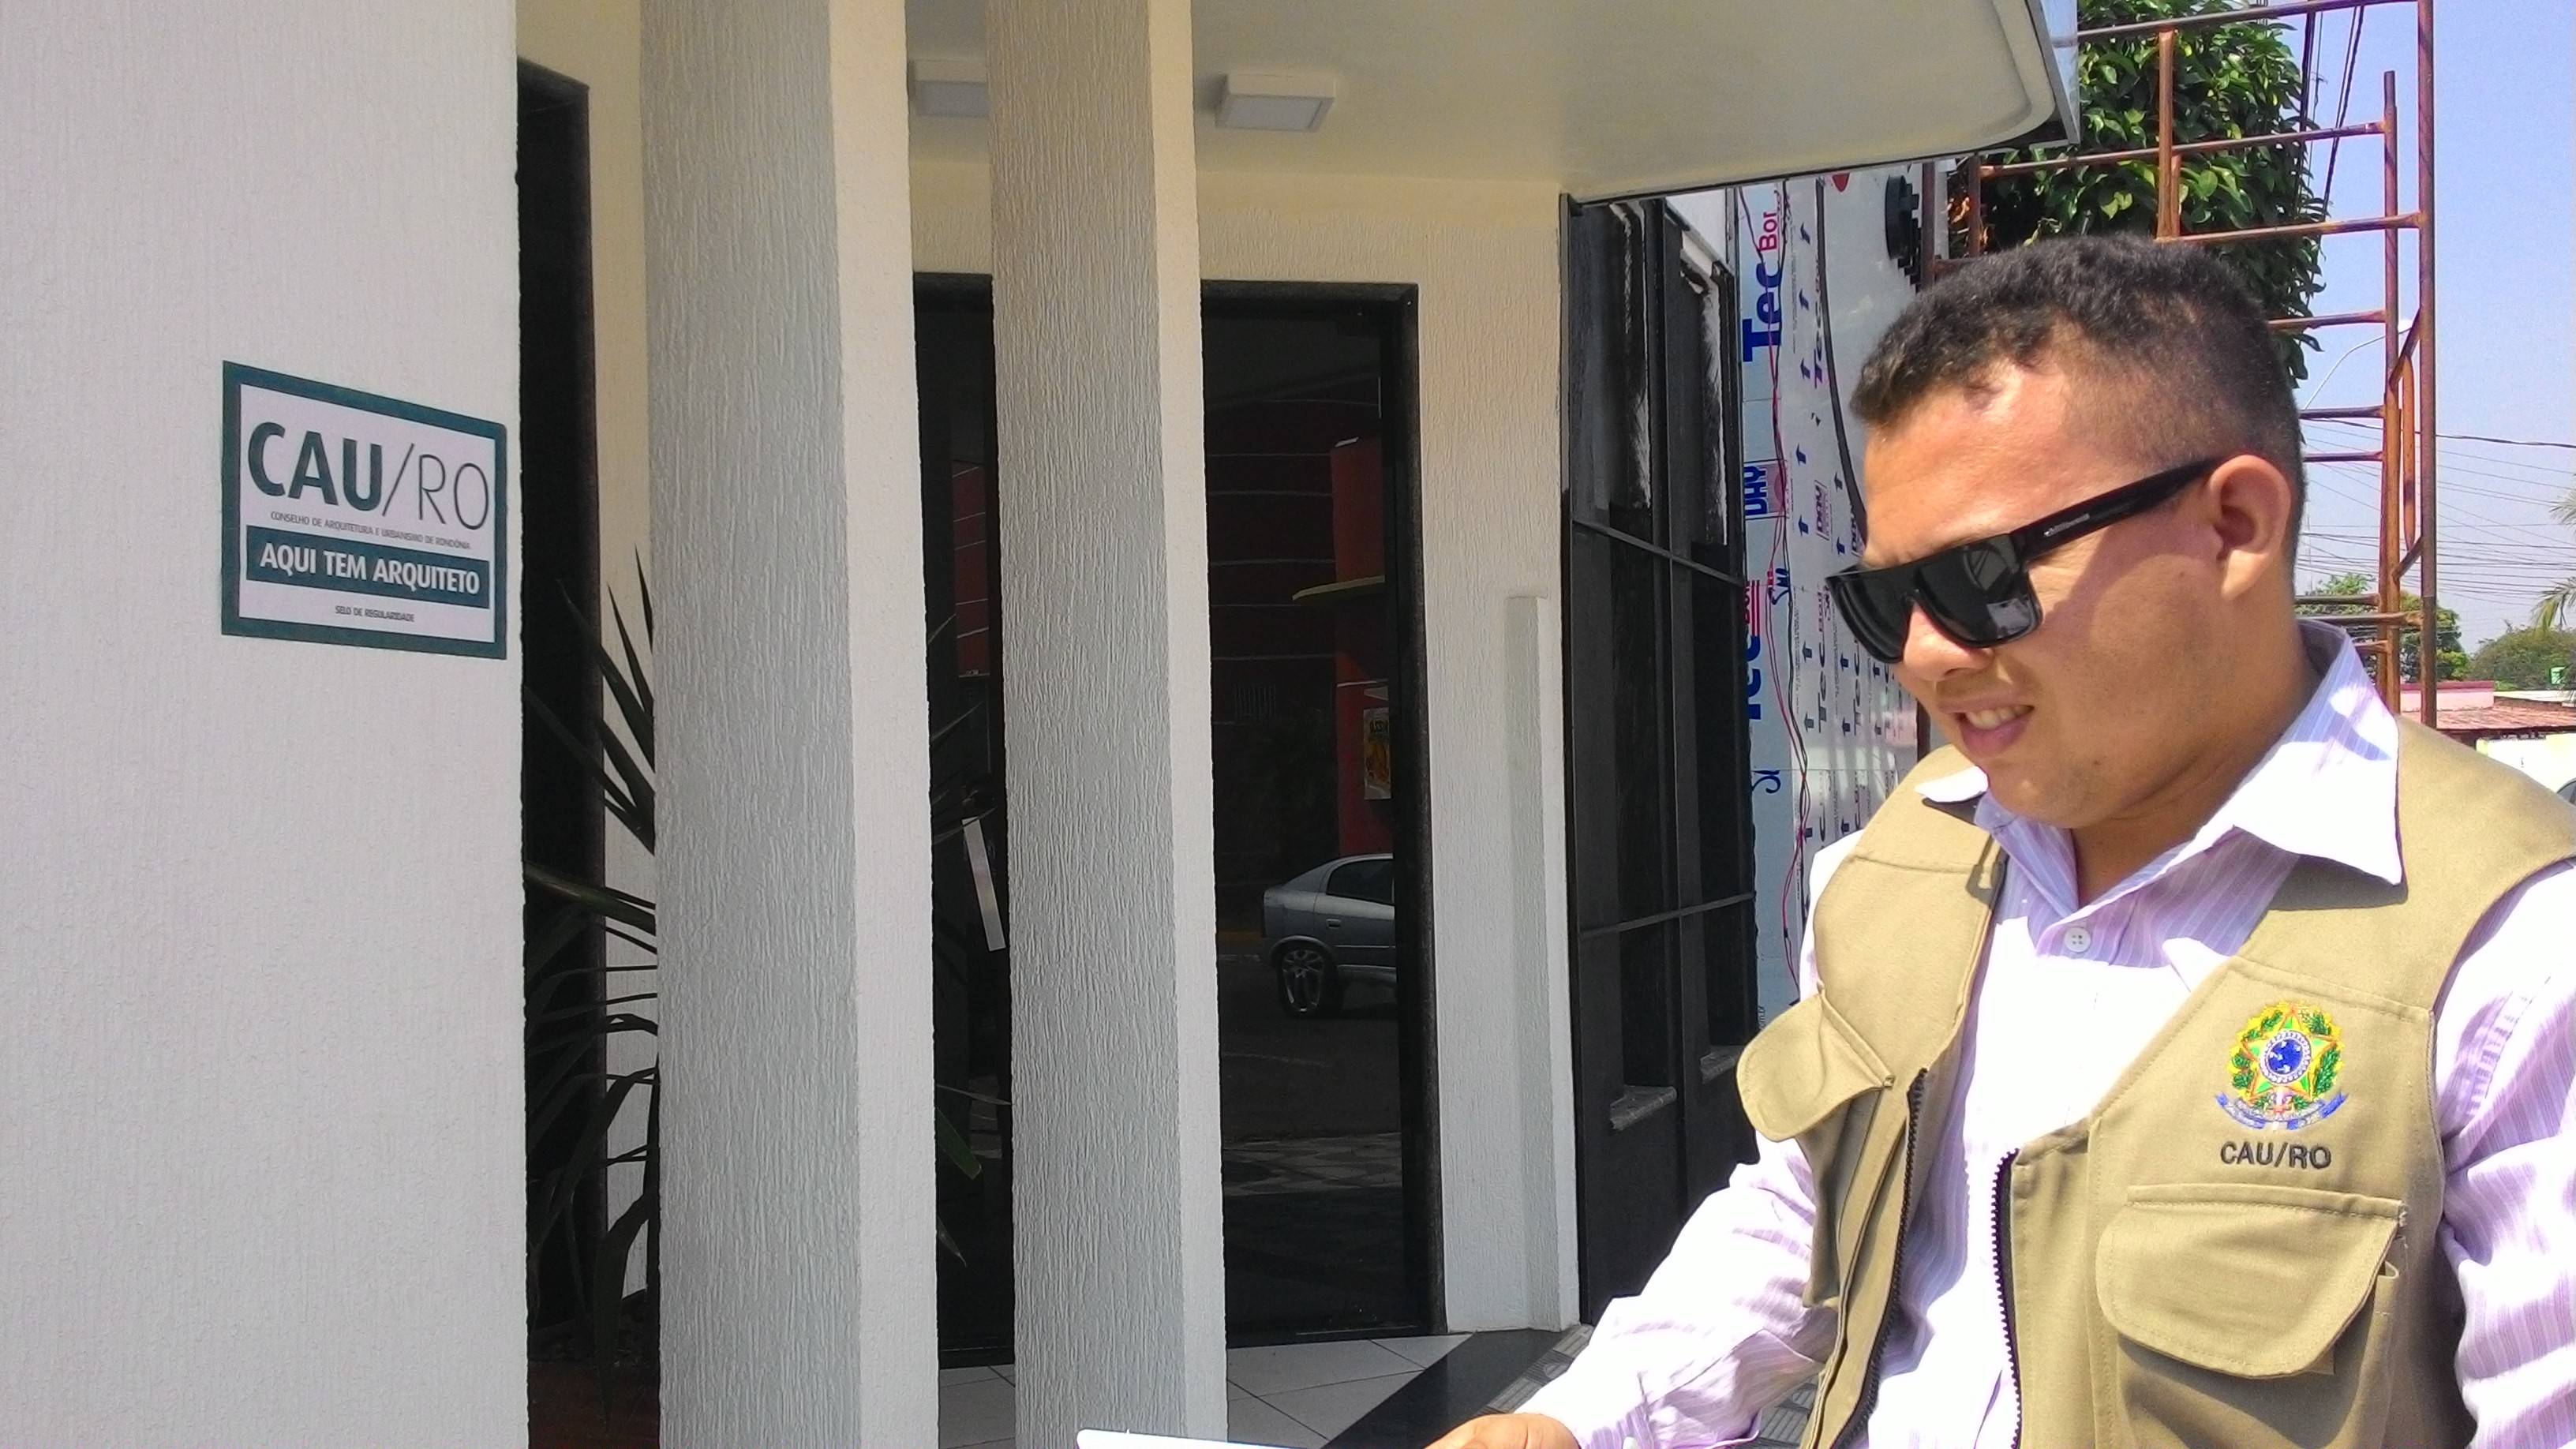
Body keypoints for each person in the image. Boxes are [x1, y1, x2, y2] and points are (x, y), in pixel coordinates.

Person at [1431, 235, 2576, 1449]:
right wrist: (1580, 1423)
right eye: (1887, 600)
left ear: (2235, 526)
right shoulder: (1899, 864)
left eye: (1982, 577)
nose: (1927, 654)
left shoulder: (2508, 948)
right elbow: (1809, 1209)